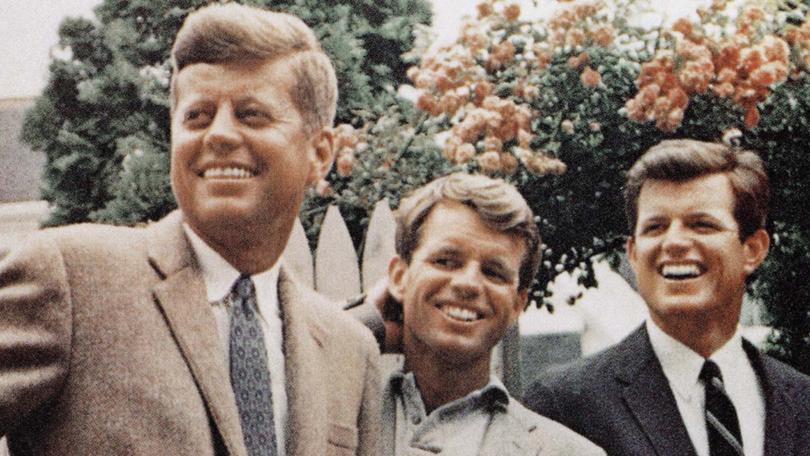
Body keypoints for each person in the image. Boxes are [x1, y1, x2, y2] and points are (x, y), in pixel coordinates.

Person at [0, 4, 379, 455]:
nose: (218, 134)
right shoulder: (71, 280)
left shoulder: (349, 352)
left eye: (251, 114)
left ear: (320, 153)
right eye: (197, 116)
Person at [524, 139, 810, 456]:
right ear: (632, 253)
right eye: (656, 227)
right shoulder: (565, 406)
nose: (673, 242)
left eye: (701, 224)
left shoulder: (802, 403)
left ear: (752, 249)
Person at [378, 173, 605, 455]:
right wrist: (367, 323)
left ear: (516, 304)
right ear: (399, 277)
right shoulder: (335, 406)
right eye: (446, 261)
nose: (468, 284)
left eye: (493, 272)